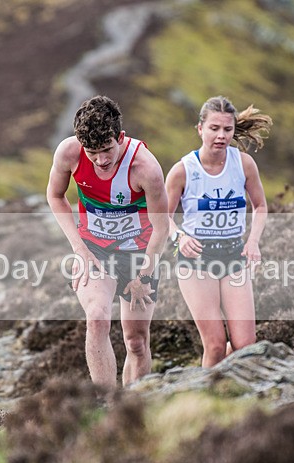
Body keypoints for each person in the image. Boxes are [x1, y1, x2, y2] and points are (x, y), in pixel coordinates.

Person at [47, 95, 169, 389]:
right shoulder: (69, 153)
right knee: (97, 318)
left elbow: (162, 227)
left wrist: (144, 274)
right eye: (92, 152)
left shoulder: (146, 169)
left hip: (139, 252)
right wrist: (79, 249)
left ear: (121, 137)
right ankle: (107, 404)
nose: (101, 160)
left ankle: (134, 406)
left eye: (106, 149)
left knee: (136, 341)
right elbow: (54, 196)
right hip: (95, 249)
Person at [165, 96, 269, 367]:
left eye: (227, 129)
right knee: (214, 346)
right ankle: (208, 402)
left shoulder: (243, 164)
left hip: (233, 256)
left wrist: (253, 242)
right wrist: (179, 236)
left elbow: (260, 206)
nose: (221, 136)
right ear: (200, 129)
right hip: (197, 260)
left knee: (245, 345)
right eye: (214, 128)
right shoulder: (182, 171)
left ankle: (235, 395)